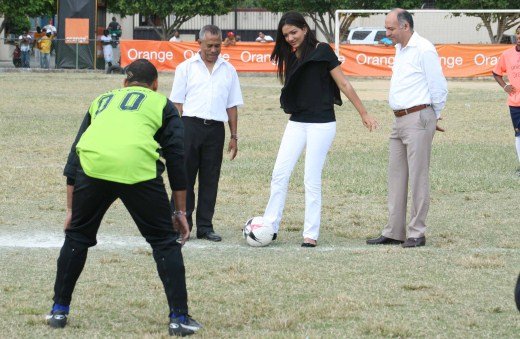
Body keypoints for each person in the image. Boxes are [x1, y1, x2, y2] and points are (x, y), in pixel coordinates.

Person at [46, 59, 201, 336]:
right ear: (155, 85)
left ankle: (58, 310)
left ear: (124, 83)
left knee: (77, 237)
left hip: (93, 169)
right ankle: (179, 318)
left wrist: (71, 208)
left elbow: (75, 155)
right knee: (165, 243)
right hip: (136, 171)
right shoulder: (161, 103)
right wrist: (180, 212)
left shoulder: (102, 100)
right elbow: (177, 160)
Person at [263, 11, 378, 247]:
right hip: (297, 122)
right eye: (286, 35)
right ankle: (269, 227)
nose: (290, 38)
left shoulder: (323, 51)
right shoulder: (289, 54)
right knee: (279, 174)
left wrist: (364, 113)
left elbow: (343, 83)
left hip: (322, 123)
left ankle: (310, 234)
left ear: (305, 29)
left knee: (311, 178)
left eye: (294, 32)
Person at [366, 9, 447, 248]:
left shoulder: (424, 49)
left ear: (405, 26)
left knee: (418, 177)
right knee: (396, 176)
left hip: (418, 117)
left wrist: (433, 116)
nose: (387, 32)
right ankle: (394, 231)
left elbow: (439, 87)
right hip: (399, 120)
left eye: (390, 28)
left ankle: (417, 232)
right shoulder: (399, 49)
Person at [169, 25, 243, 242]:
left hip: (215, 131)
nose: (213, 49)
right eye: (209, 45)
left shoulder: (229, 70)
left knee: (210, 179)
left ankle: (205, 226)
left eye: (217, 45)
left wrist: (234, 135)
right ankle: (182, 223)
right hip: (189, 127)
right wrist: (173, 135)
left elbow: (232, 106)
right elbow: (177, 104)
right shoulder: (185, 68)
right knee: (184, 177)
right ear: (198, 44)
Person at [492, 24, 520, 176]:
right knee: (519, 134)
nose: (519, 40)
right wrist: (504, 86)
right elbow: (496, 73)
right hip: (515, 101)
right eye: (518, 37)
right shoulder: (507, 55)